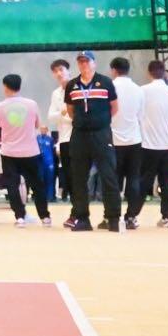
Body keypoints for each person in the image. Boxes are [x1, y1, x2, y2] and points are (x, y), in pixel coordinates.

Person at [62, 51, 119, 231]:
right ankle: (82, 218)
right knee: (79, 178)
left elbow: (114, 107)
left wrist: (100, 122)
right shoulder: (72, 85)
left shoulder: (106, 82)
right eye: (81, 62)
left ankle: (113, 218)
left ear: (94, 63)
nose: (84, 64)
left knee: (108, 176)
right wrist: (82, 122)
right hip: (79, 135)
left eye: (87, 61)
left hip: (101, 134)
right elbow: (70, 110)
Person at [0, 73, 49, 226]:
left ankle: (20, 217)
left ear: (5, 87)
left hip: (9, 152)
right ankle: (45, 217)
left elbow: (0, 125)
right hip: (31, 151)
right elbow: (37, 125)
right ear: (19, 86)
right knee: (37, 185)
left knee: (12, 185)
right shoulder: (32, 104)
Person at [130, 59, 168, 229]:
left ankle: (132, 215)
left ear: (148, 72)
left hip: (148, 144)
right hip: (167, 144)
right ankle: (167, 217)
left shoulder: (143, 90)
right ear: (164, 72)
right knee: (167, 183)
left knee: (144, 182)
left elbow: (137, 113)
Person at [107, 56, 145, 225]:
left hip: (114, 140)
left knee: (113, 180)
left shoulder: (110, 87)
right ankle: (131, 216)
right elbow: (141, 115)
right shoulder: (138, 89)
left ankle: (113, 217)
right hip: (135, 139)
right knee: (134, 179)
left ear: (113, 70)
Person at [45, 57, 72, 201]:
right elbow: (51, 117)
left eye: (61, 69)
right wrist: (63, 112)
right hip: (64, 138)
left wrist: (63, 115)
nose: (59, 73)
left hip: (79, 137)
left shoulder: (77, 88)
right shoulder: (56, 93)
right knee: (67, 172)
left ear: (69, 71)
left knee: (79, 173)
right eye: (55, 71)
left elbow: (78, 116)